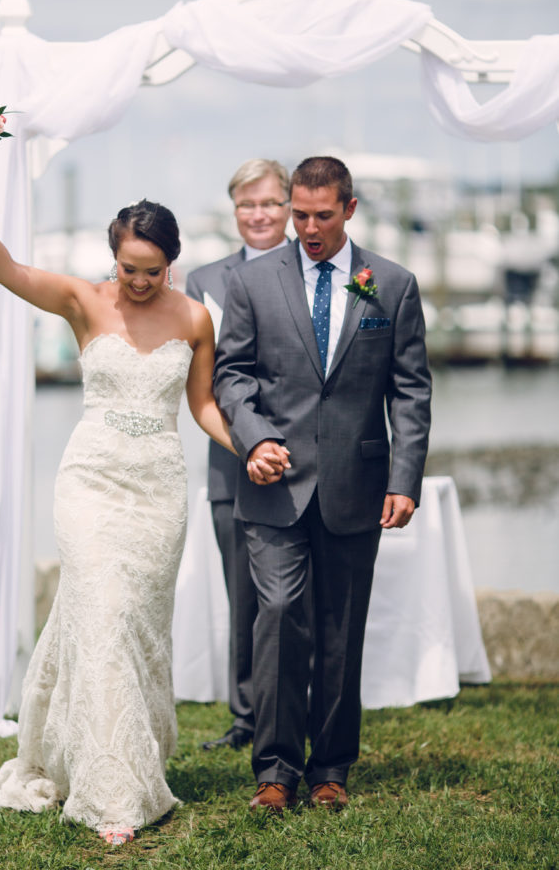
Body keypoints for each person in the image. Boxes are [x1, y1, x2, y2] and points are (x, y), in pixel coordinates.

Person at [0, 166, 283, 845]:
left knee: (135, 625)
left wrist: (247, 447)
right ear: (114, 257)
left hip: (156, 489)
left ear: (171, 264)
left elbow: (204, 405)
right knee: (101, 611)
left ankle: (126, 754)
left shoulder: (193, 317)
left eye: (153, 271)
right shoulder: (82, 301)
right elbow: (5, 270)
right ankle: (113, 793)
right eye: (130, 267)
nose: (140, 282)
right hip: (90, 481)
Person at [213, 155, 431, 814]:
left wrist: (405, 476)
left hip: (355, 487)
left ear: (349, 210)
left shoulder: (388, 285)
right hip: (273, 489)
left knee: (341, 627)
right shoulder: (253, 283)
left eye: (320, 215)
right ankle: (274, 773)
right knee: (278, 615)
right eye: (298, 214)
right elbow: (233, 375)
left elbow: (411, 389)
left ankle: (330, 769)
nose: (306, 227)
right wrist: (257, 438)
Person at [185, 158, 291, 751]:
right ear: (234, 212)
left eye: (270, 203)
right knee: (243, 594)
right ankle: (247, 717)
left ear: (288, 208)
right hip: (230, 463)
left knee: (296, 598)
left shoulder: (313, 271)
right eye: (247, 204)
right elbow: (205, 382)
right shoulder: (204, 280)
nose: (258, 215)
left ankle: (299, 711)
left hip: (304, 456)